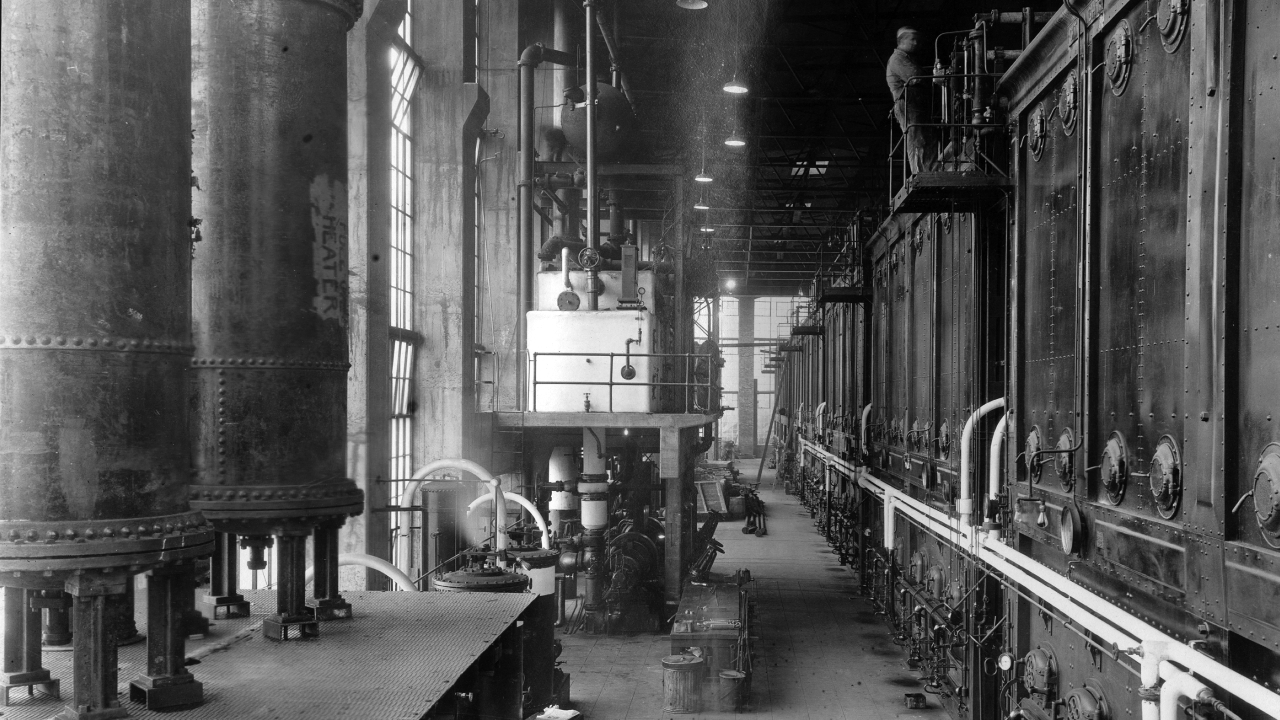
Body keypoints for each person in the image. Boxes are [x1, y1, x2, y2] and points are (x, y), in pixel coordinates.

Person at [886, 26, 930, 174]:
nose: (916, 43)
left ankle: (927, 171)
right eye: (912, 39)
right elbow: (915, 76)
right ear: (902, 40)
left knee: (922, 138)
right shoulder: (898, 58)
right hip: (907, 104)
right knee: (916, 139)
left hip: (914, 104)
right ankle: (920, 173)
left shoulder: (906, 58)